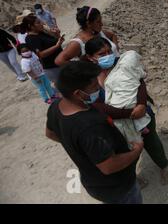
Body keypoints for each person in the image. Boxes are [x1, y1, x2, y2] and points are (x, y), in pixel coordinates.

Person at [46, 61, 144, 204]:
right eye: (94, 86)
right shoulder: (90, 125)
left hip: (92, 181)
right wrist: (136, 151)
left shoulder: (56, 107)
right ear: (78, 93)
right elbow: (109, 166)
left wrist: (80, 148)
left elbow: (50, 134)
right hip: (117, 187)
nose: (98, 86)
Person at [85, 37, 168, 184]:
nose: (108, 56)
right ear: (90, 57)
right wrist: (129, 114)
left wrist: (142, 104)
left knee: (152, 142)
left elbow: (139, 81)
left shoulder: (121, 63)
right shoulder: (88, 77)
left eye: (109, 51)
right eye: (101, 54)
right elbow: (98, 105)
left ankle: (164, 165)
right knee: (126, 152)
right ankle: (133, 178)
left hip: (142, 113)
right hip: (115, 123)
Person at [55, 6, 119, 65]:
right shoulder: (78, 43)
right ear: (88, 24)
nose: (101, 24)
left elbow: (113, 35)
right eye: (98, 22)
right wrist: (85, 67)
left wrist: (115, 49)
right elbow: (59, 61)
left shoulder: (101, 33)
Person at [22, 15, 64, 84]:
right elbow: (41, 54)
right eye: (38, 23)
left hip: (61, 61)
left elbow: (56, 41)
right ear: (30, 26)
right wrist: (56, 46)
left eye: (40, 21)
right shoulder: (30, 39)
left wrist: (57, 34)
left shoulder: (41, 32)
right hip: (52, 67)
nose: (42, 24)